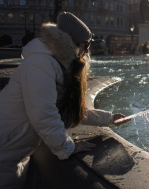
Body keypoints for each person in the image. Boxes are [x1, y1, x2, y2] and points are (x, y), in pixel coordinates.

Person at [0, 12, 130, 188]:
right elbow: (44, 113)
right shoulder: (40, 64)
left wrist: (109, 118)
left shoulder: (54, 64)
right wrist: (65, 147)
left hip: (15, 152)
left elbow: (72, 110)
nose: (88, 50)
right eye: (86, 44)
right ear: (71, 42)